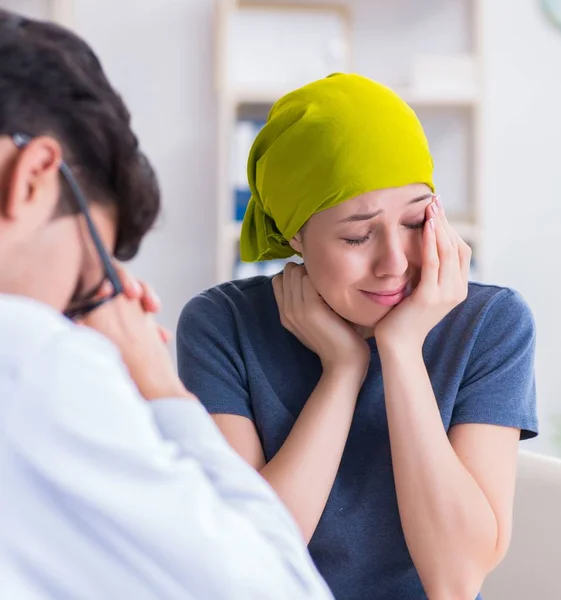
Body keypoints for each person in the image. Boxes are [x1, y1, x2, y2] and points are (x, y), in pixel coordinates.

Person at [0, 9, 335, 600]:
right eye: (88, 280)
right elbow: (285, 588)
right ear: (32, 178)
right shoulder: (34, 359)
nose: (72, 315)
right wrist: (158, 387)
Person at [177, 73, 538, 600]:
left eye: (416, 222)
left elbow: (456, 580)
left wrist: (401, 349)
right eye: (356, 234)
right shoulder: (222, 326)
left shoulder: (489, 324)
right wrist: (342, 372)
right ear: (295, 234)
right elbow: (249, 560)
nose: (395, 263)